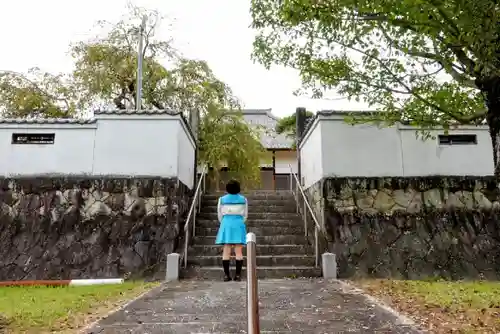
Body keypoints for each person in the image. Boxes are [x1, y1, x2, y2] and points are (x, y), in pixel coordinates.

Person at [215, 179, 248, 281]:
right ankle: (238, 275)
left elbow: (219, 214)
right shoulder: (244, 199)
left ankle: (226, 275)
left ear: (227, 188)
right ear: (238, 188)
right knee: (239, 250)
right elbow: (245, 215)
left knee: (226, 250)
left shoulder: (222, 199)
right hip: (238, 223)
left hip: (226, 223)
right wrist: (240, 221)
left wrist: (224, 222)